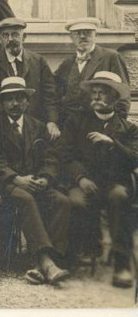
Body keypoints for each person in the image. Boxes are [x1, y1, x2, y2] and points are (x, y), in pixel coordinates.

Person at [0, 77, 70, 286]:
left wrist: (45, 177)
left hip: (35, 182)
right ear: (2, 102)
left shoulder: (38, 126)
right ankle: (46, 261)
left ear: (27, 101)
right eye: (10, 99)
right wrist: (15, 178)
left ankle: (40, 263)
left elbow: (50, 158)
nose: (15, 104)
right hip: (7, 185)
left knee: (61, 201)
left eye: (20, 98)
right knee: (25, 199)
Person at [60, 71, 138, 288]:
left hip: (114, 184)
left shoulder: (129, 128)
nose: (96, 97)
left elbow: (134, 159)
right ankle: (78, 255)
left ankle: (122, 264)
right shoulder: (76, 122)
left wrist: (112, 142)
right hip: (85, 182)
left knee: (120, 197)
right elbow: (65, 155)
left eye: (102, 93)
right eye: (93, 93)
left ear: (113, 98)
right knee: (75, 201)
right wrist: (81, 177)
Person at [0, 18, 59, 139]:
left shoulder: (38, 61)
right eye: (5, 35)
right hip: (3, 126)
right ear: (0, 39)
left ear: (24, 37)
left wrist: (52, 121)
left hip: (35, 125)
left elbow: (50, 95)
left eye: (15, 34)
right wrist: (9, 121)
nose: (10, 39)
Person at [54, 17, 131, 125]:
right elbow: (55, 94)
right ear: (71, 37)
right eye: (77, 33)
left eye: (87, 32)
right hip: (70, 127)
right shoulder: (67, 63)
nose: (82, 36)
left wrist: (115, 128)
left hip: (101, 125)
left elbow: (123, 96)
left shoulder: (111, 57)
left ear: (96, 35)